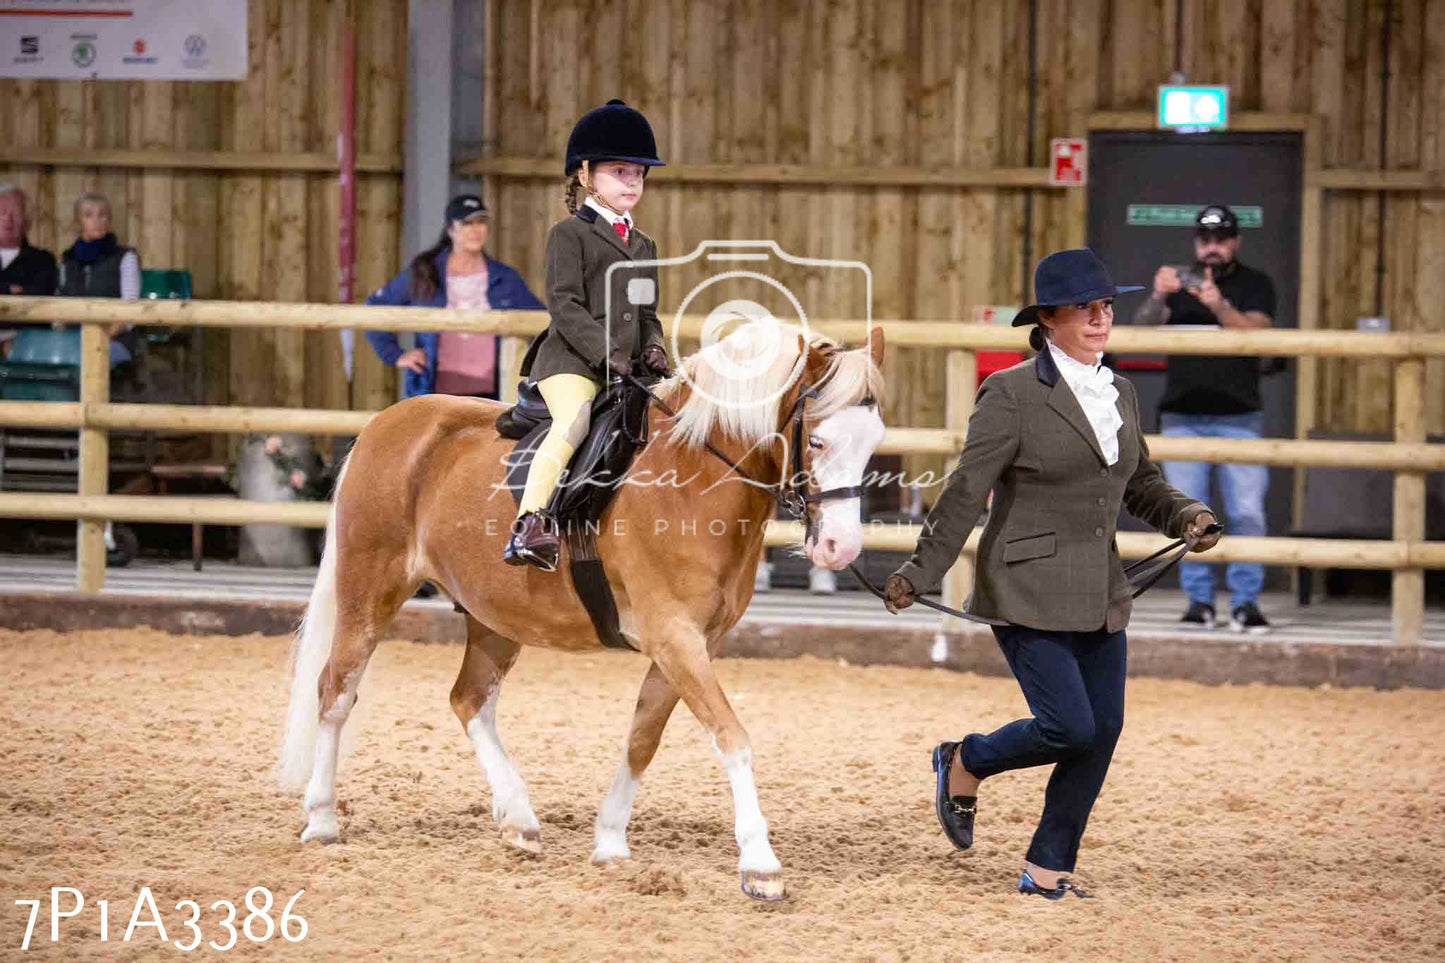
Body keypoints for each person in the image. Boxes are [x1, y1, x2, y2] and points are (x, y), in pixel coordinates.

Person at [883, 248, 1220, 899]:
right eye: (1085, 308)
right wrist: (920, 570)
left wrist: (1185, 515)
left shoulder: (1118, 390)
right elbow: (963, 491)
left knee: (1103, 731)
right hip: (1025, 585)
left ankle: (1046, 868)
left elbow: (1140, 481)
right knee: (1069, 725)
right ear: (1048, 317)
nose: (1101, 318)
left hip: (1099, 590)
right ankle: (964, 759)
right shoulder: (1010, 393)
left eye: (1106, 306)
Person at [502, 99, 670, 572]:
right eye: (619, 171)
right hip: (572, 363)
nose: (632, 182)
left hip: (628, 370)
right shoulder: (569, 235)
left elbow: (647, 313)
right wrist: (606, 352)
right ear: (585, 176)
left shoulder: (644, 246)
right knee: (573, 422)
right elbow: (565, 305)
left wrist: (654, 347)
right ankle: (529, 523)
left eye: (638, 173)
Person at [1130, 204, 1277, 634]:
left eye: (1222, 238)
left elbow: (1261, 336)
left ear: (1235, 241)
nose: (1213, 247)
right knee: (1187, 515)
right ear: (1196, 242)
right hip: (1182, 415)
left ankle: (1246, 603)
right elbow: (1139, 332)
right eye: (1206, 239)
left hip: (1240, 415)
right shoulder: (1177, 283)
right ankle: (1198, 603)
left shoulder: (1255, 283)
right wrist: (1158, 295)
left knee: (1248, 514)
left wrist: (1219, 305)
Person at [364, 193, 544, 400]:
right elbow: (374, 307)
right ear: (451, 229)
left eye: (481, 222)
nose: (476, 230)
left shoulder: (505, 277)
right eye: (467, 223)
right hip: (434, 391)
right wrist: (395, 355)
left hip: (492, 394)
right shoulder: (425, 272)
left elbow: (540, 321)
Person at [57, 191, 141, 368]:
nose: (97, 220)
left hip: (115, 339)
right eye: (88, 215)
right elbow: (60, 304)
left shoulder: (125, 257)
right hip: (72, 340)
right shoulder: (69, 259)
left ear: (109, 220)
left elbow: (130, 312)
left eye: (102, 215)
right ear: (78, 222)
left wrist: (99, 339)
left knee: (86, 360)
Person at [0, 185, 59, 358]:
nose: (8, 220)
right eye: (2, 212)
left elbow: (39, 296)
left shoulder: (42, 260)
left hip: (26, 338)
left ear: (27, 222)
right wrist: (12, 289)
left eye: (15, 214)